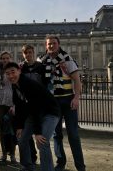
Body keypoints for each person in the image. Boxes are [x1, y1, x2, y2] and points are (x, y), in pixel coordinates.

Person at [38, 35, 86, 171]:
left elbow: (77, 80)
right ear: (45, 45)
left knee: (73, 134)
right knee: (56, 134)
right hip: (52, 102)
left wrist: (76, 98)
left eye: (54, 43)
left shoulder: (67, 58)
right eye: (49, 44)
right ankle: (61, 162)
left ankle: (80, 166)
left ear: (58, 44)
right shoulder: (41, 60)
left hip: (68, 99)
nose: (51, 46)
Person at [4, 62, 60, 171]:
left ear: (19, 71)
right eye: (7, 73)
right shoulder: (14, 84)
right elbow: (19, 106)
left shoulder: (28, 84)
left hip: (50, 112)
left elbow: (36, 108)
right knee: (22, 140)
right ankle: (28, 166)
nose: (11, 76)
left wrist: (38, 132)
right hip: (35, 113)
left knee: (42, 142)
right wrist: (20, 126)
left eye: (13, 72)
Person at [20, 44, 48, 164]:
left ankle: (43, 161)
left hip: (39, 105)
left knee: (40, 135)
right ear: (23, 54)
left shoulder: (41, 67)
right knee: (26, 136)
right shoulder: (21, 68)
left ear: (34, 53)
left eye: (30, 52)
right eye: (26, 53)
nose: (28, 55)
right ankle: (30, 160)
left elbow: (46, 85)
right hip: (26, 105)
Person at [0, 51, 17, 165]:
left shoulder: (15, 70)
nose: (5, 60)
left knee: (12, 130)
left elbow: (18, 89)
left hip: (11, 103)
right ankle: (3, 154)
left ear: (11, 59)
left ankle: (12, 155)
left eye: (7, 58)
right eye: (3, 58)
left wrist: (14, 105)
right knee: (3, 130)